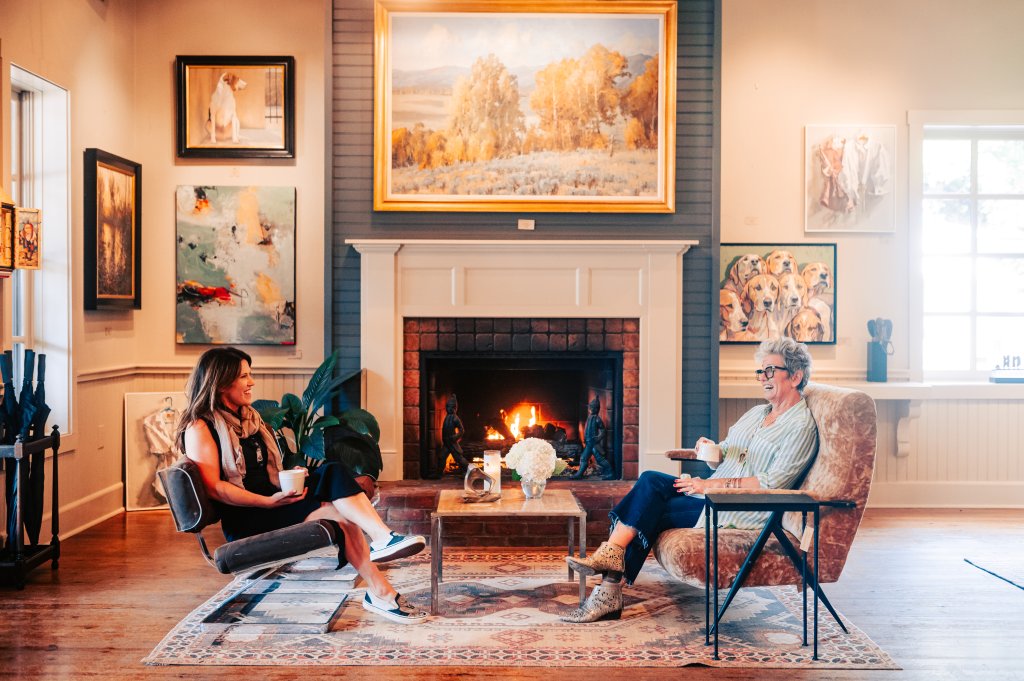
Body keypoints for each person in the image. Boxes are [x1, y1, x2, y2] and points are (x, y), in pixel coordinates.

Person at [562, 338, 819, 623]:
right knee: (650, 480)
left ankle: (608, 585)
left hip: (739, 509)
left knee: (650, 511)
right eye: (760, 372)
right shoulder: (758, 413)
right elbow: (728, 453)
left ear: (795, 376)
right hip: (710, 496)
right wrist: (712, 450)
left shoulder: (800, 426)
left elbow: (772, 484)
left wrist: (708, 485)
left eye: (770, 370)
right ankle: (611, 560)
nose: (763, 378)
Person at [174, 347, 428, 624]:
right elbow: (214, 488)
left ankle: (381, 562)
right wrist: (269, 501)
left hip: (274, 500)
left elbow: (263, 473)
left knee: (333, 478)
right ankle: (381, 577)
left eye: (250, 374)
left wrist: (288, 477)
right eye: (244, 376)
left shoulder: (249, 420)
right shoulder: (201, 427)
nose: (252, 382)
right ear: (221, 382)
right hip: (249, 517)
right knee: (340, 511)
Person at [573, 396, 612, 479]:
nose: (591, 409)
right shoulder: (590, 417)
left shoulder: (597, 419)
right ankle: (579, 474)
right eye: (590, 407)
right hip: (589, 443)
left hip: (593, 443)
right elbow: (587, 429)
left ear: (596, 409)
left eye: (593, 408)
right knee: (584, 458)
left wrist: (598, 438)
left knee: (600, 459)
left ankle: (610, 472)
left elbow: (603, 430)